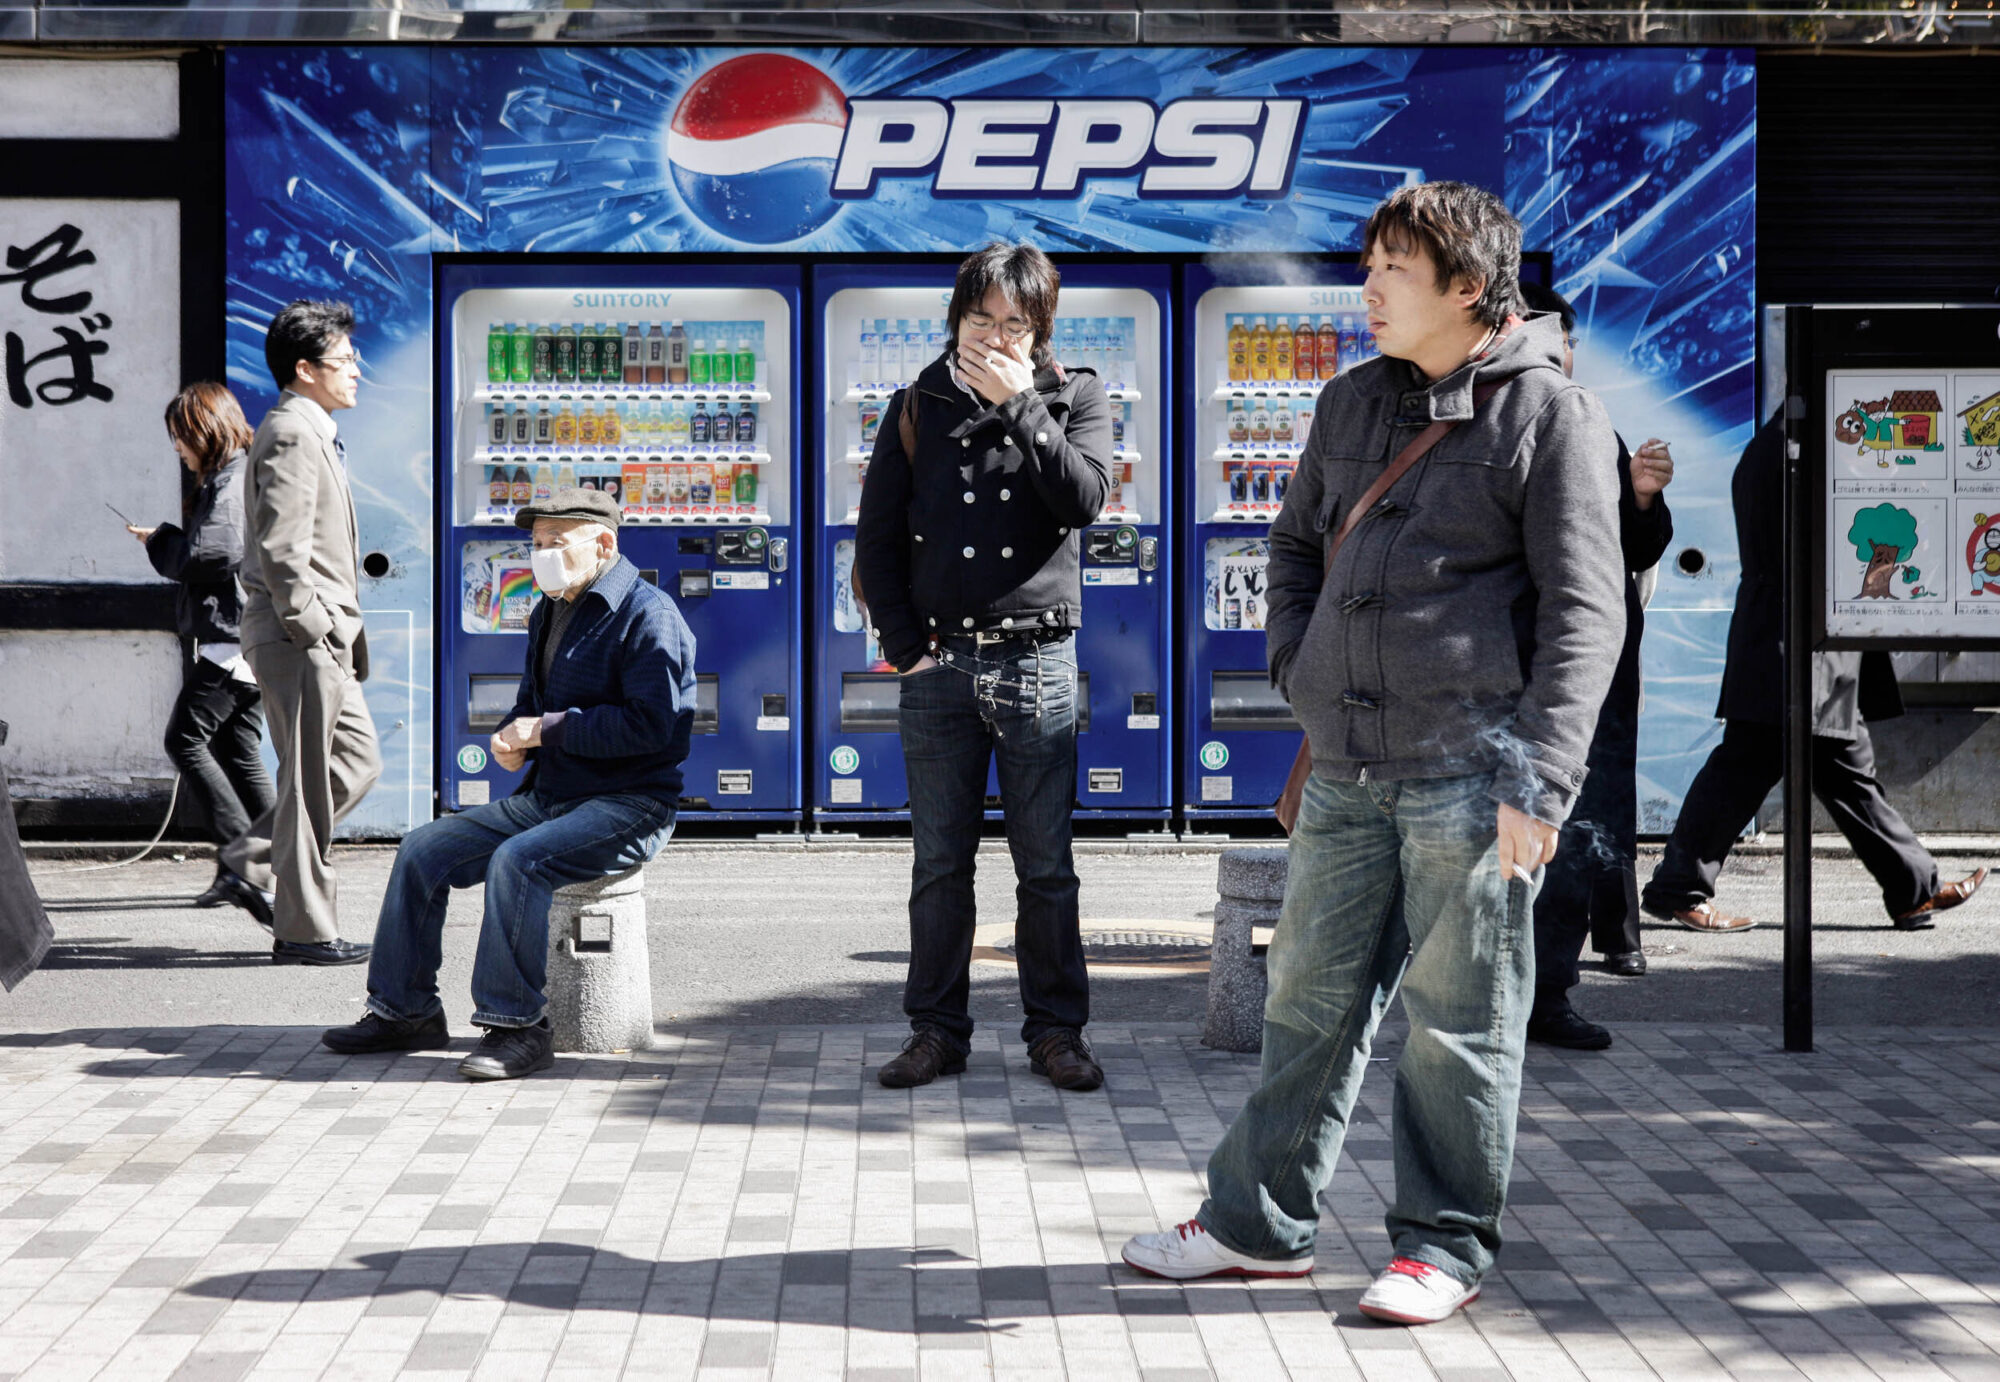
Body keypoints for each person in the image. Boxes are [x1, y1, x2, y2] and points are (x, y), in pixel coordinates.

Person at [1122, 182, 1626, 1325]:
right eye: (1367, 265)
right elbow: (1293, 540)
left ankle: (1441, 1242)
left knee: (1459, 1019)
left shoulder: (1549, 416)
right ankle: (1256, 1224)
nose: (1367, 287)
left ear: (1466, 285)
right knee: (1305, 1001)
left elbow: (1584, 613)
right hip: (1345, 765)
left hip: (1472, 770)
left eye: (1392, 269)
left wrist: (1539, 779)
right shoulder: (1349, 401)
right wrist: (1297, 662)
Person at [854, 241, 1112, 1094]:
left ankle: (1057, 1032)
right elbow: (877, 541)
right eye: (982, 320)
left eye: (1017, 323)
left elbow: (1085, 500)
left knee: (1046, 862)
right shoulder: (915, 403)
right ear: (955, 320)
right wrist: (906, 651)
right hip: (941, 670)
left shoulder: (1074, 394)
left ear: (1041, 330)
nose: (997, 337)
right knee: (939, 863)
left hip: (1038, 656)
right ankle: (935, 1031)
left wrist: (1021, 407)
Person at [320, 489, 692, 1081]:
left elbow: (654, 727)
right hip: (550, 795)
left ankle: (517, 1027)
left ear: (604, 544)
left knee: (518, 862)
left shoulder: (650, 615)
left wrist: (548, 731)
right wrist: (513, 741)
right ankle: (404, 1009)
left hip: (630, 803)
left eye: (555, 543)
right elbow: (530, 706)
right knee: (422, 849)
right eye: (536, 543)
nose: (541, 555)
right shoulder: (549, 609)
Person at [1640, 415, 1986, 931]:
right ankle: (1914, 889)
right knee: (1788, 765)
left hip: (1793, 639)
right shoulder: (1797, 451)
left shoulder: (1782, 446)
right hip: (1796, 641)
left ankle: (1913, 889)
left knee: (1821, 766)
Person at [1514, 283, 1674, 1053]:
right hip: (1495, 667)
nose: (1561, 351)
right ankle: (1487, 995)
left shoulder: (1584, 420)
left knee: (1573, 837)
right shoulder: (1468, 417)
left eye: (1566, 338)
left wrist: (1641, 501)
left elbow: (1629, 553)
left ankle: (1549, 994)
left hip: (1584, 670)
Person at [222, 300, 382, 966]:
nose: (356, 373)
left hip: (316, 636)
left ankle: (251, 857)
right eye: (345, 362)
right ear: (304, 369)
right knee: (310, 779)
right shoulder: (291, 431)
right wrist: (312, 626)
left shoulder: (311, 428)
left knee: (356, 760)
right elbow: (283, 547)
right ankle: (304, 930)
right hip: (299, 637)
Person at [126, 382, 275, 924]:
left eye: (180, 438)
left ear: (203, 431)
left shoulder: (232, 479)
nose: (177, 450)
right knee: (238, 751)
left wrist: (161, 541)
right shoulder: (235, 473)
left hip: (232, 640)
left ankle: (246, 862)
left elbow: (209, 553)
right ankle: (278, 856)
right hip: (243, 636)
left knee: (184, 738)